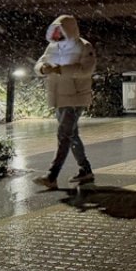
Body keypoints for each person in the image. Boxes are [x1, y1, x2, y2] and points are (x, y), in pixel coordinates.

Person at [32, 14, 96, 189]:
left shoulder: (84, 46)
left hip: (75, 98)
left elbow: (86, 69)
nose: (57, 35)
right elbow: (40, 64)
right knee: (72, 135)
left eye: (60, 31)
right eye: (55, 31)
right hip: (59, 97)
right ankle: (86, 170)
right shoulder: (52, 47)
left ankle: (52, 175)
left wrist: (60, 69)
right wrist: (42, 69)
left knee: (64, 135)